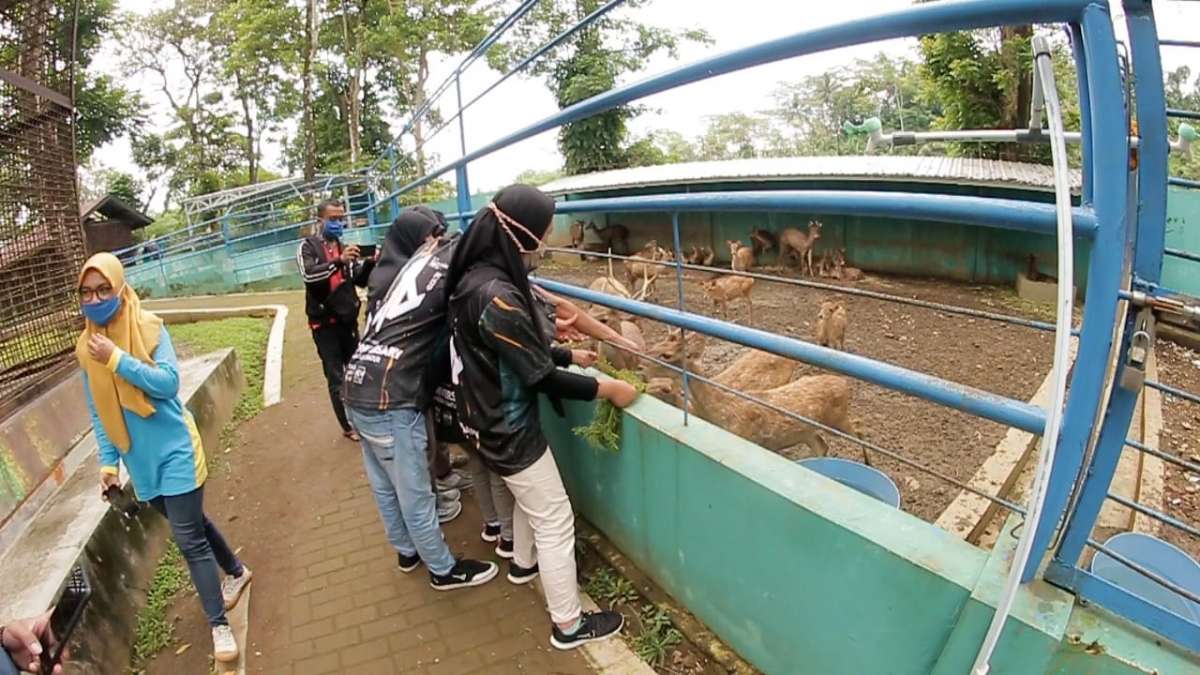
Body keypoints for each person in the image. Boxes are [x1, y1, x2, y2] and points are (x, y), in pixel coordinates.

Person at [446, 185, 639, 650]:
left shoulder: (474, 278)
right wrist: (609, 389)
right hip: (508, 428)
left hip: (481, 416)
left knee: (529, 500)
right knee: (555, 519)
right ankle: (569, 626)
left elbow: (509, 351)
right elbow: (540, 377)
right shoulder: (498, 296)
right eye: (545, 233)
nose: (547, 242)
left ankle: (522, 564)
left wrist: (568, 352)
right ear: (522, 233)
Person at [76, 253, 250, 665]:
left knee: (189, 540)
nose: (95, 299)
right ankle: (237, 571)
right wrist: (108, 464)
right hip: (141, 463)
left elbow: (168, 384)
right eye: (86, 292)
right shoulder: (86, 348)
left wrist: (117, 359)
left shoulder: (150, 327)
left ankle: (218, 625)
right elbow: (99, 411)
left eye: (103, 290)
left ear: (120, 288)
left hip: (175, 449)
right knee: (192, 523)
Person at [342, 209, 498, 590]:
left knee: (384, 483)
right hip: (391, 398)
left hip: (358, 386)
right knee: (414, 491)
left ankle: (407, 551)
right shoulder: (431, 271)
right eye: (432, 234)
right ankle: (443, 570)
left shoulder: (394, 273)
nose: (435, 241)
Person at [366, 207, 469, 523]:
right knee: (414, 446)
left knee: (424, 436)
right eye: (430, 237)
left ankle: (437, 484)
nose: (434, 243)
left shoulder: (397, 267)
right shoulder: (398, 275)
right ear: (412, 238)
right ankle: (433, 504)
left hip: (406, 371)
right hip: (401, 377)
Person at [297, 199, 375, 441]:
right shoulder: (307, 247)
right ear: (319, 220)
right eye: (333, 219)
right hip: (324, 324)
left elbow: (357, 280)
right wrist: (338, 261)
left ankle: (365, 418)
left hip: (347, 320)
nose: (338, 223)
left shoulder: (344, 247)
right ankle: (348, 426)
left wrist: (370, 263)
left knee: (357, 371)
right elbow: (309, 275)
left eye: (341, 219)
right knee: (336, 376)